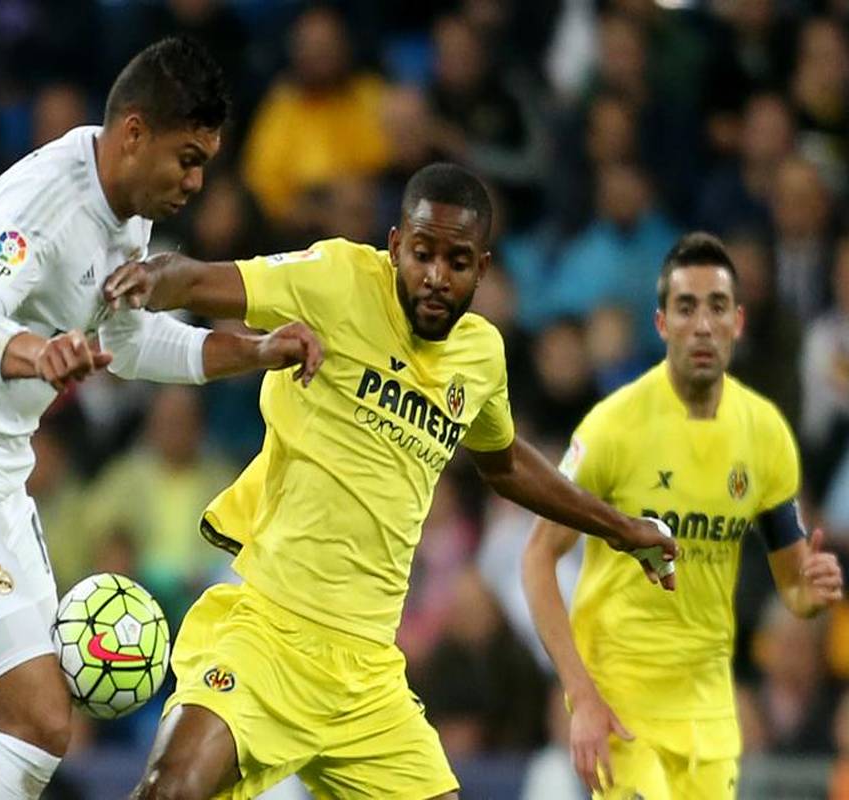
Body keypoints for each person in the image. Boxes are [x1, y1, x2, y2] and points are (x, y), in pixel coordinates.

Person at [102, 162, 676, 799]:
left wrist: (622, 529)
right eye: (422, 254)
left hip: (368, 673)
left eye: (458, 262)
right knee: (170, 789)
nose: (436, 276)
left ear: (483, 269)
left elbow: (505, 463)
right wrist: (146, 278)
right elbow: (201, 279)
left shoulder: (481, 357)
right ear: (396, 244)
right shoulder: (337, 278)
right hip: (268, 633)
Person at [0, 37, 322, 800]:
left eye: (205, 163)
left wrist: (254, 350)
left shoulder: (126, 214)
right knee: (39, 724)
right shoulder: (42, 206)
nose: (197, 183)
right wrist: (38, 353)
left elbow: (127, 342)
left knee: (12, 721)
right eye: (188, 159)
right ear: (134, 133)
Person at [522, 231, 845, 798]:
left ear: (737, 322)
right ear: (661, 323)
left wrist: (811, 592)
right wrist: (582, 694)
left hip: (709, 716)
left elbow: (794, 586)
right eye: (686, 307)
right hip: (624, 708)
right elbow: (537, 557)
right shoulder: (614, 427)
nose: (702, 325)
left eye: (716, 307)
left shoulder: (765, 433)